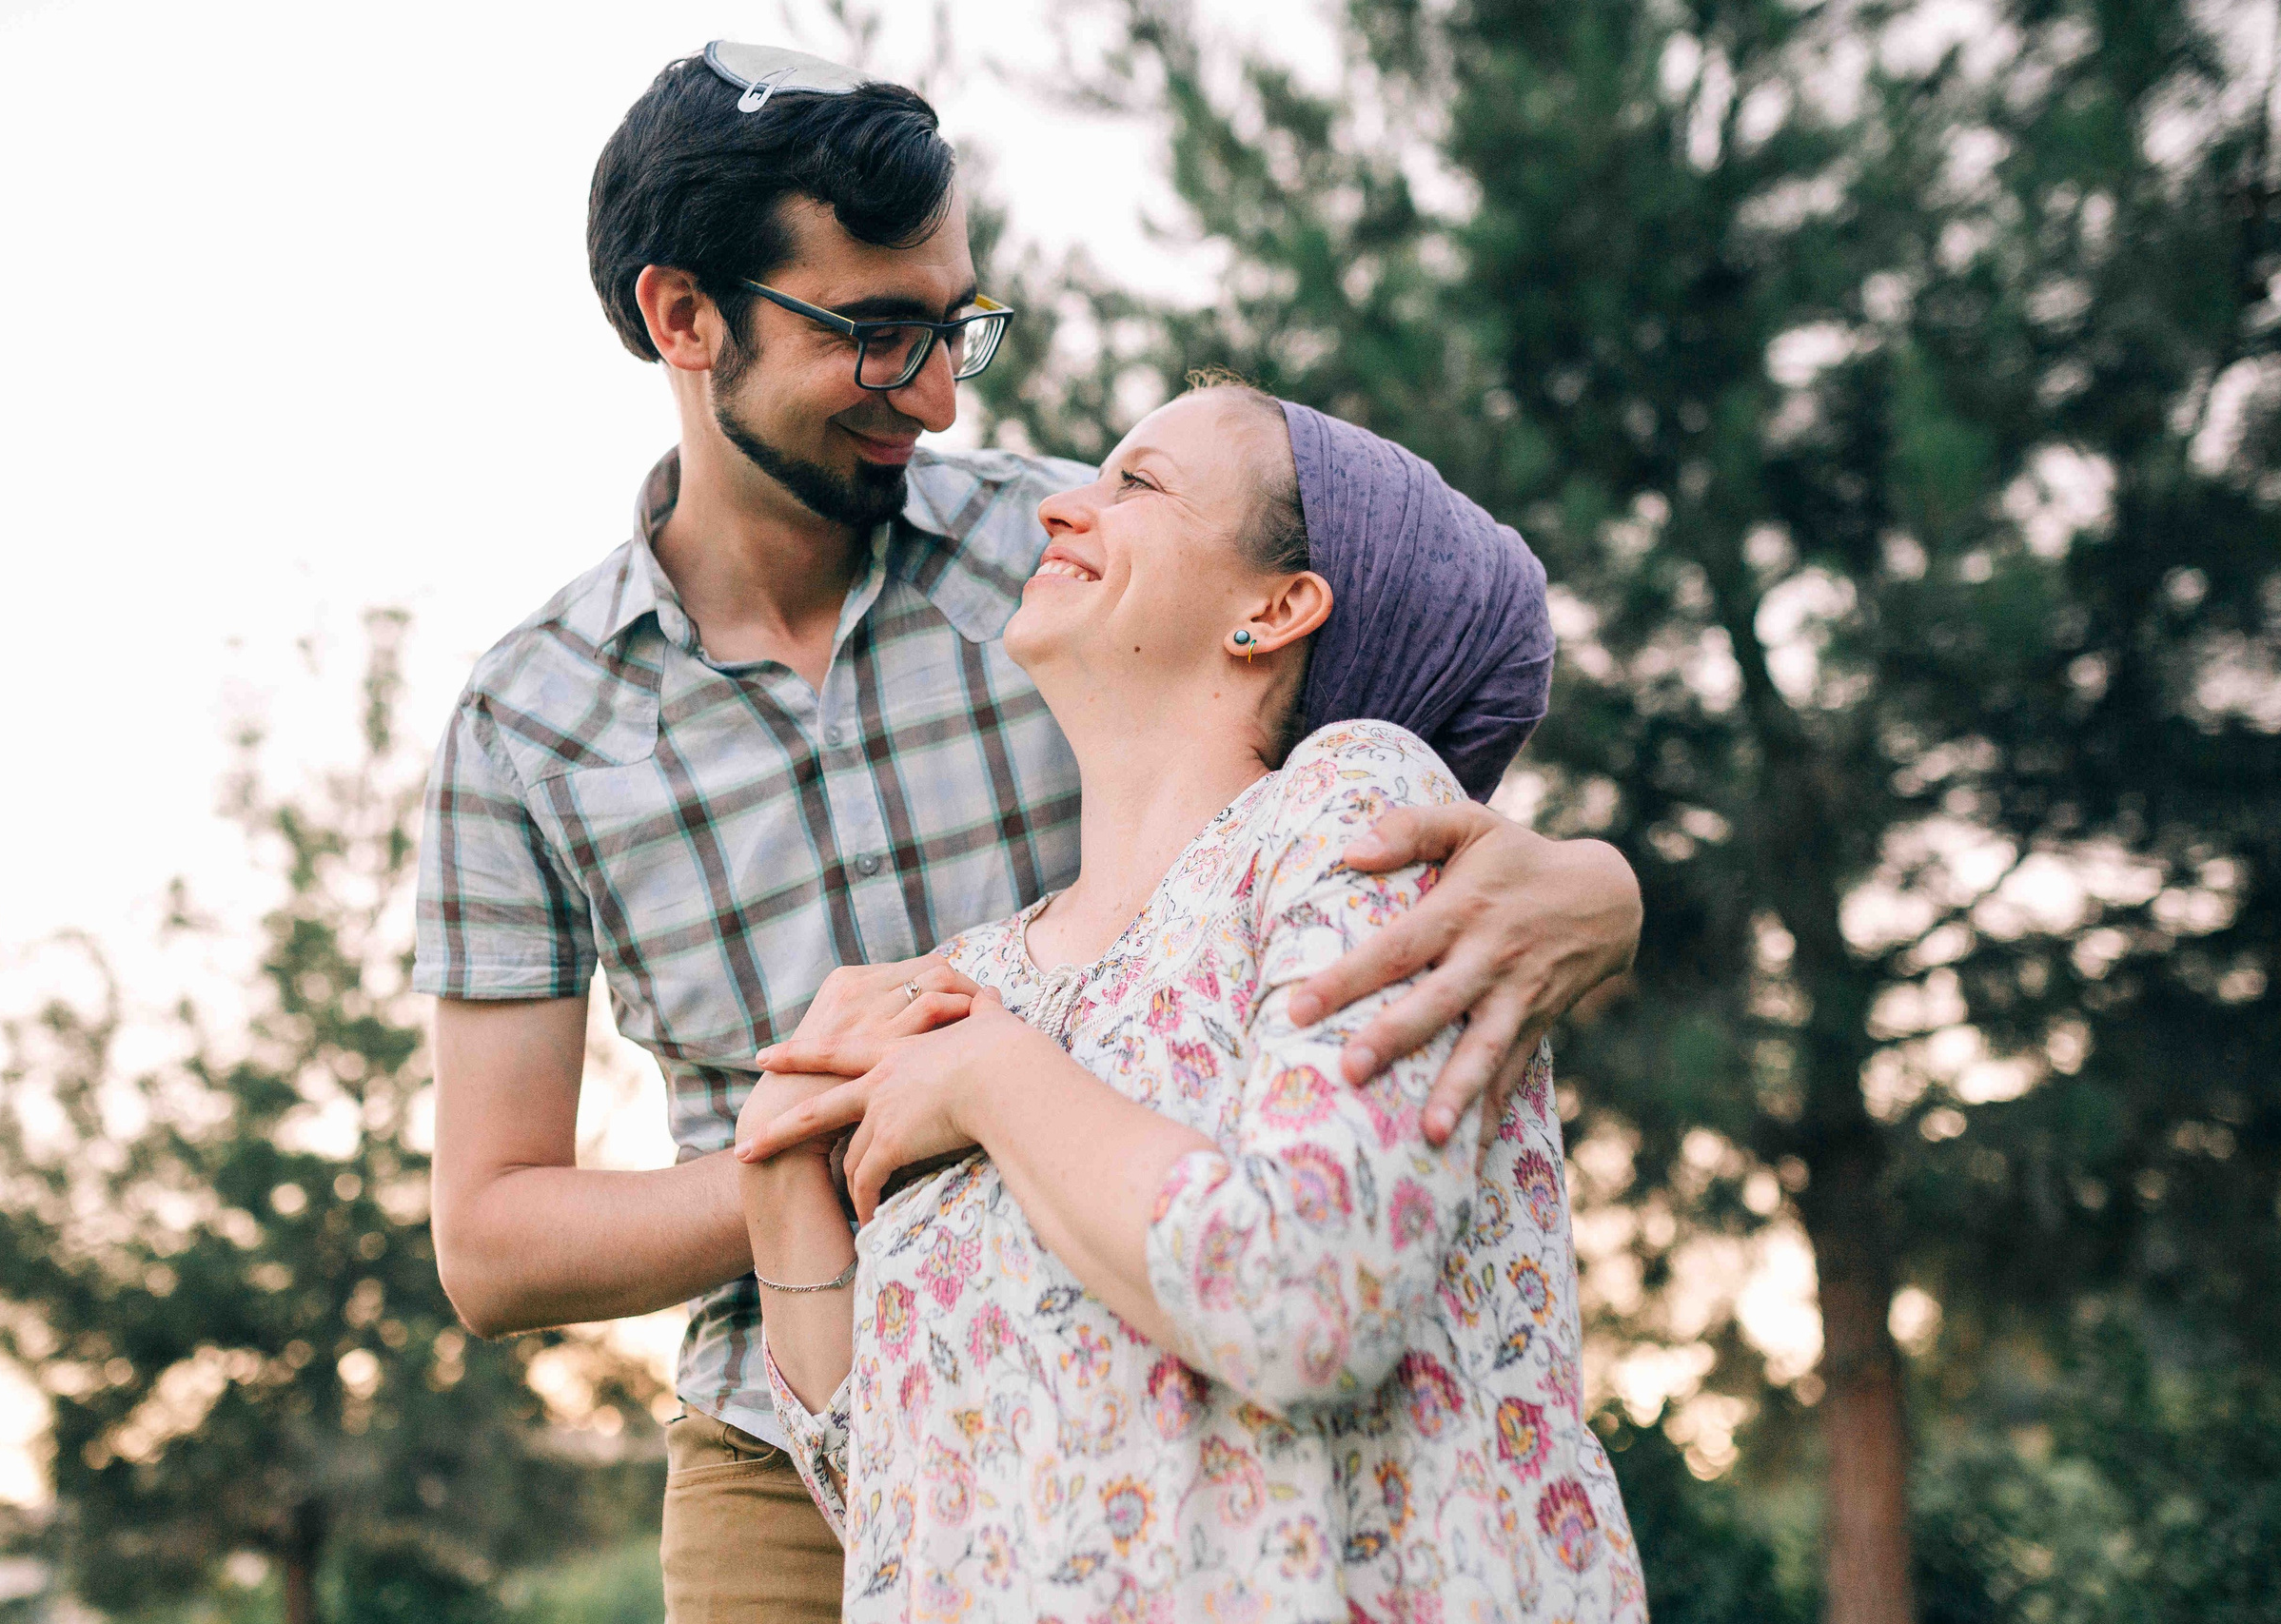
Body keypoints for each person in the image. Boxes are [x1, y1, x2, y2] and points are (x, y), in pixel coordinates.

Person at [419, 43, 1642, 1624]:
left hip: (1186, 1349)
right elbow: (493, 1241)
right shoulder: (529, 724)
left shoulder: (1073, 553)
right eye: (878, 335)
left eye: (955, 327)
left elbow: (1391, 683)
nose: (938, 397)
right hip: (798, 1420)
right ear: (685, 317)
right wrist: (842, 1145)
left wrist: (1596, 884)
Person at [734, 382, 1646, 1621]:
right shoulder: (968, 982)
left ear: (1276, 609)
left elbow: (1308, 1297)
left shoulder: (1360, 820)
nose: (1062, 506)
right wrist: (780, 1172)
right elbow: (903, 1499)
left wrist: (996, 1080)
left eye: (1139, 485)